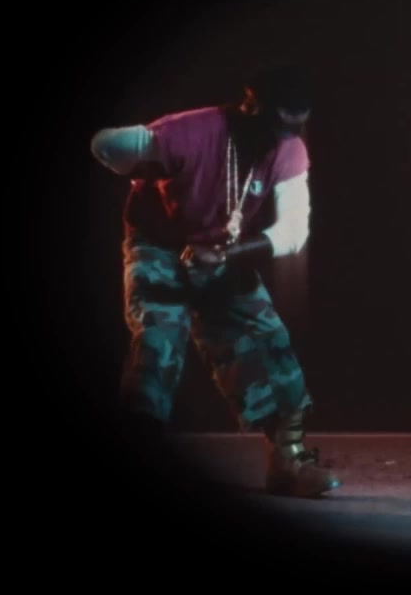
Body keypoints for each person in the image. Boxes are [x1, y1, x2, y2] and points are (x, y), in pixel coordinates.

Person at [89, 62, 340, 498]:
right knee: (157, 344)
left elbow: (293, 231)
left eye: (296, 126)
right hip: (157, 245)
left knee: (269, 338)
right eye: (279, 125)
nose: (285, 138)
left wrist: (225, 254)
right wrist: (139, 162)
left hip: (220, 251)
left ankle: (289, 460)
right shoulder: (189, 132)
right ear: (251, 109)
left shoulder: (290, 149)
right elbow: (104, 144)